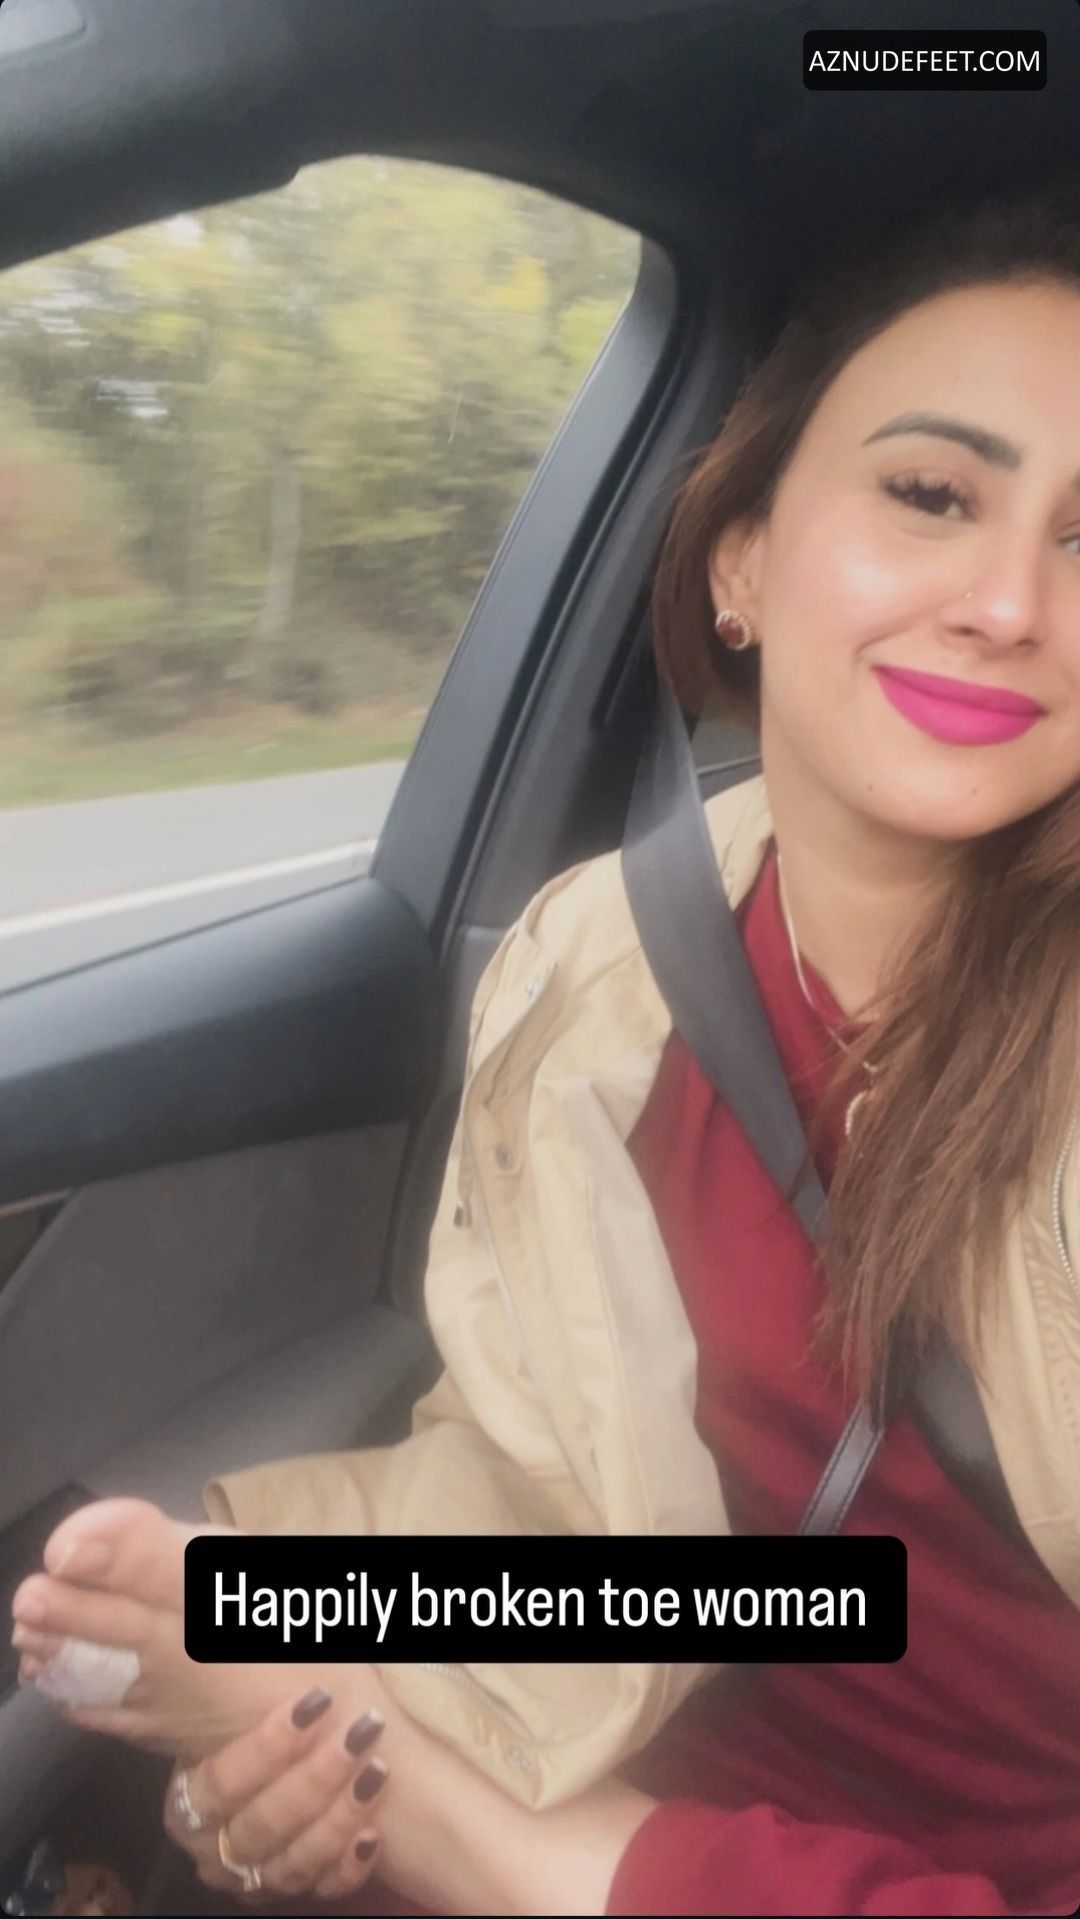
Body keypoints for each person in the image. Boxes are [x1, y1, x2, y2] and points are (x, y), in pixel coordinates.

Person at [11, 182, 1080, 1915]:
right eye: (933, 495)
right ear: (742, 559)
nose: (1013, 602)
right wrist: (329, 1689)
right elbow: (585, 1505)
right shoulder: (596, 959)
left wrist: (447, 1818)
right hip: (643, 1725)